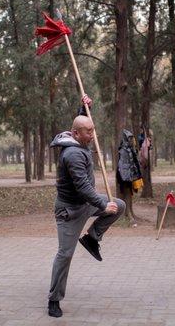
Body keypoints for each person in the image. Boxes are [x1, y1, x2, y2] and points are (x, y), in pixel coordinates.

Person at [47, 96, 126, 318]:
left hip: (85, 205)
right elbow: (83, 187)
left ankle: (92, 238)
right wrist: (102, 204)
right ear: (76, 135)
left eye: (93, 130)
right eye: (89, 132)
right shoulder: (72, 154)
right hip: (69, 211)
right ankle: (54, 299)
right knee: (65, 254)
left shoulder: (78, 142)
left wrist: (84, 108)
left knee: (119, 205)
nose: (93, 135)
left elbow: (80, 122)